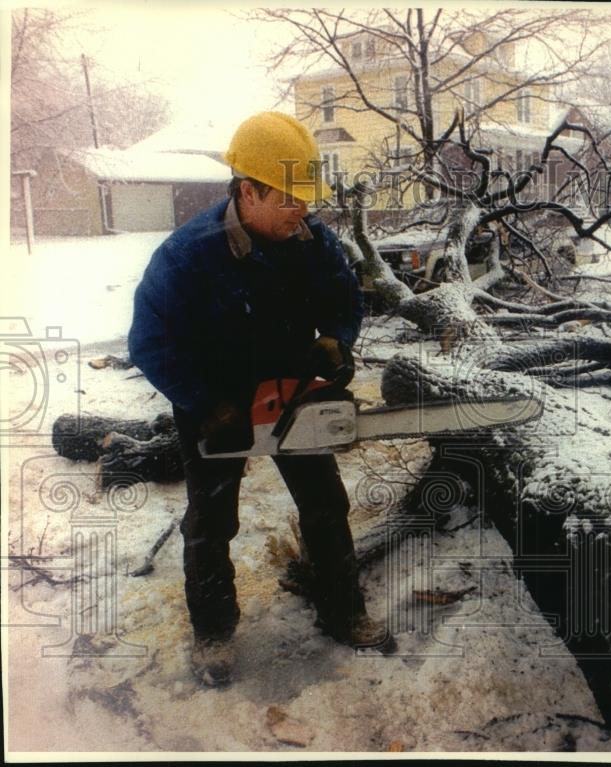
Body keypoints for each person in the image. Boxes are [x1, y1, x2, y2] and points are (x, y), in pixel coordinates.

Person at [128, 111, 388, 687]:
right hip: (213, 396)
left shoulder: (312, 241)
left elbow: (346, 300)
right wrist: (204, 401)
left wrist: (334, 341)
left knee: (325, 503)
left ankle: (343, 607)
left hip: (290, 387)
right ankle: (214, 632)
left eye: (307, 202)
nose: (303, 214)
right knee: (211, 520)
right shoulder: (188, 254)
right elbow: (148, 340)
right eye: (291, 201)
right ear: (248, 191)